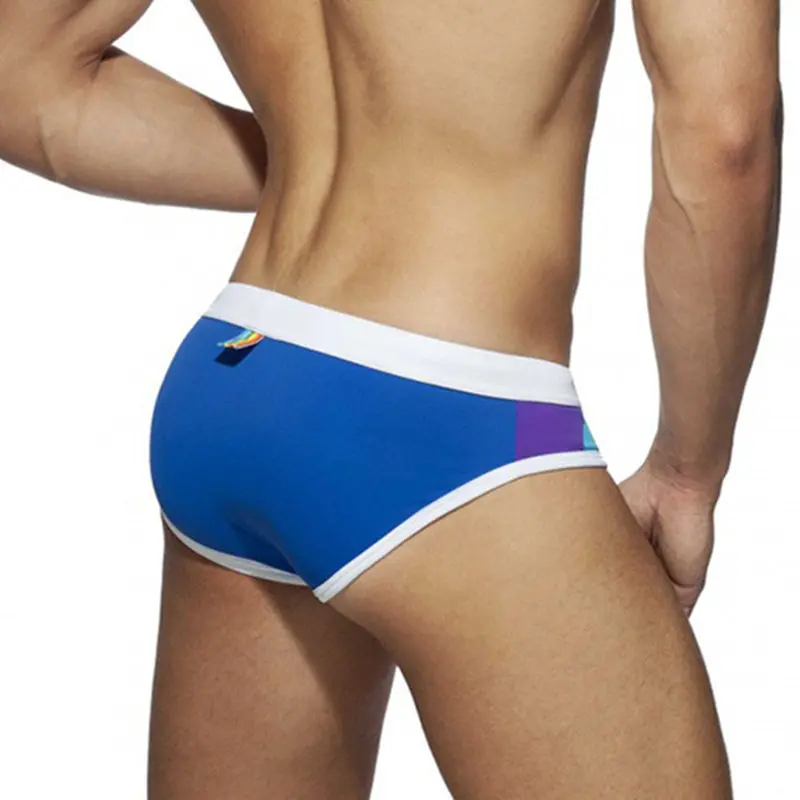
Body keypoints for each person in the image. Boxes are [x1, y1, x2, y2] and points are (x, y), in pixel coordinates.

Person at [0, 1, 782, 797]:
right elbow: (725, 134)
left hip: (240, 364)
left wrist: (312, 161)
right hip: (451, 406)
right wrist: (688, 471)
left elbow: (19, 77)